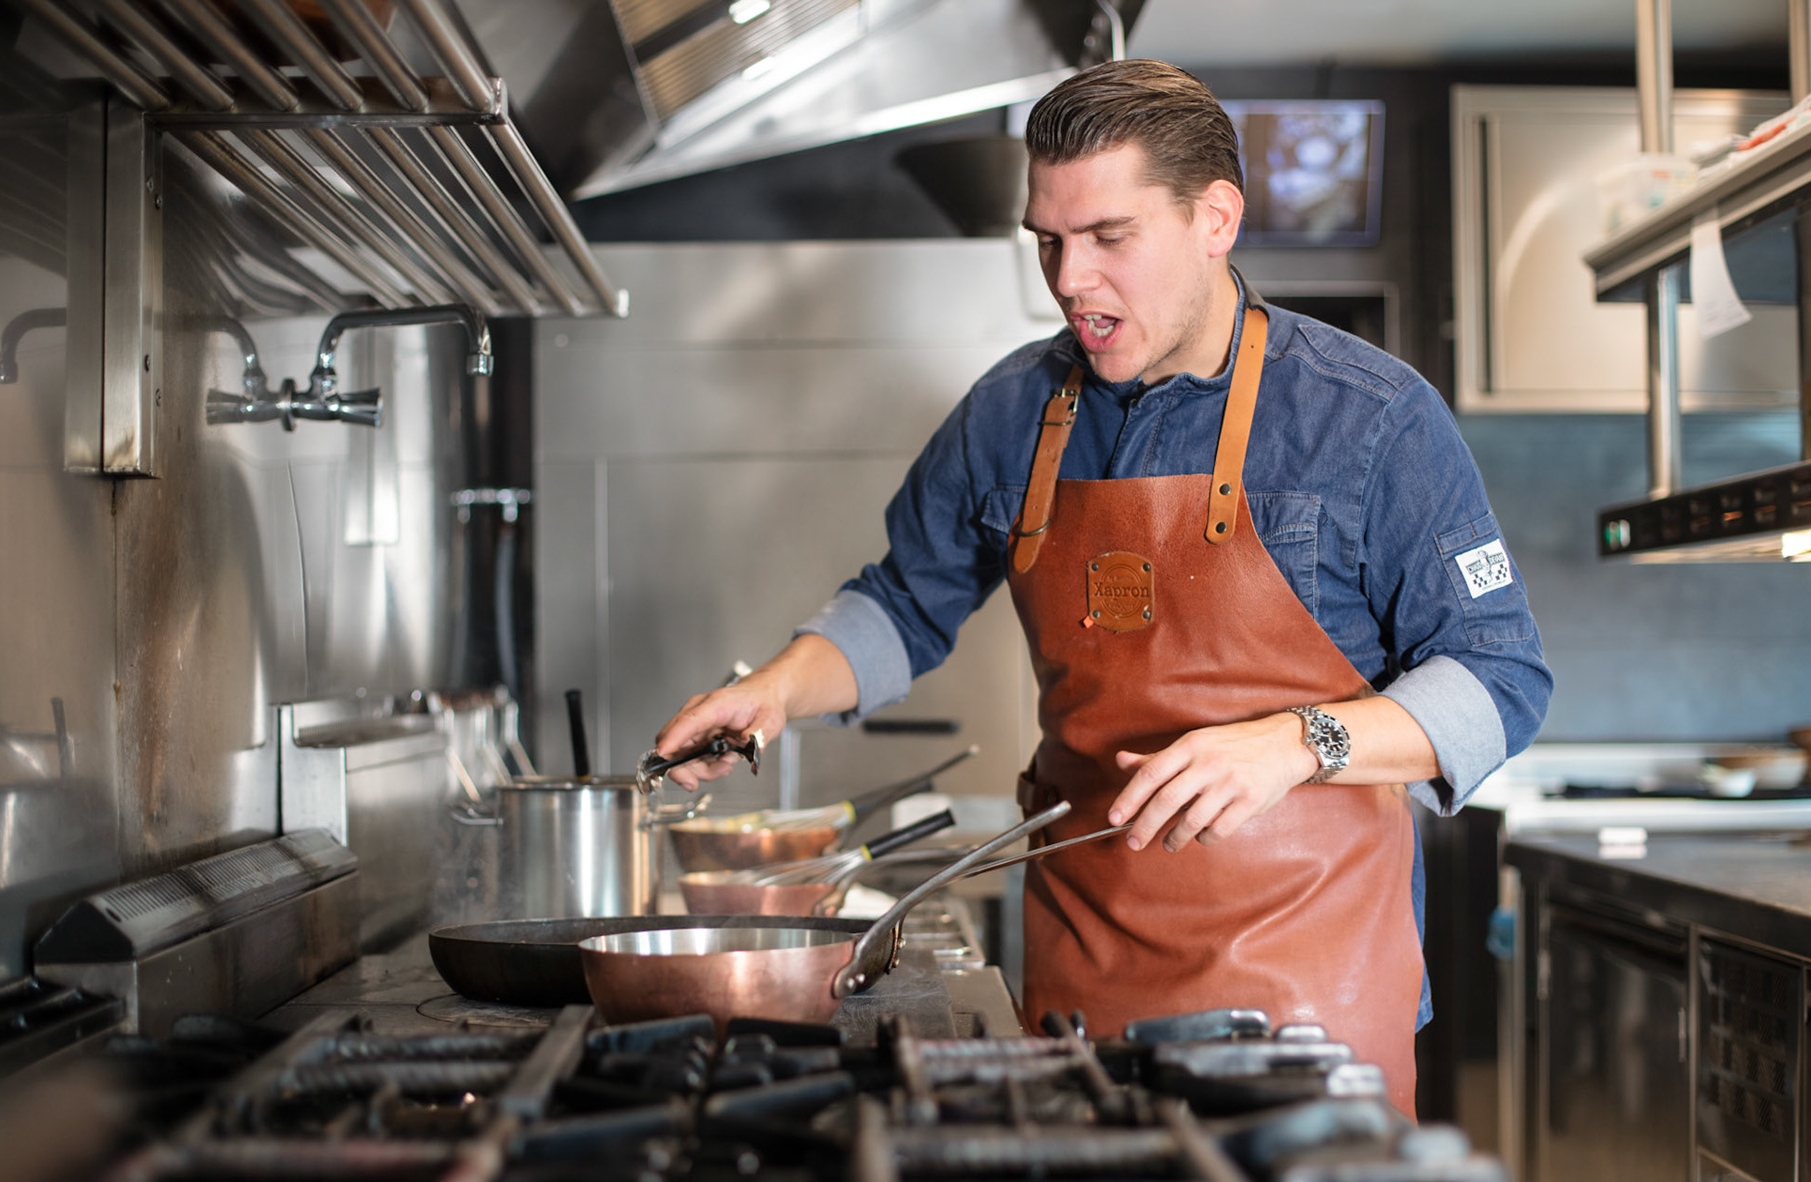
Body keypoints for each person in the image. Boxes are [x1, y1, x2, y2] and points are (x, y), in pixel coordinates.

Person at [655, 60, 1551, 1116]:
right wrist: (776, 688)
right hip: (1082, 999)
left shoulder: (1372, 419)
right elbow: (902, 604)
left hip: (1313, 1015)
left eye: (1109, 237)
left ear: (1215, 218)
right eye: (1048, 240)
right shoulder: (1011, 412)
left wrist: (1298, 742)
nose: (1070, 278)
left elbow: (1502, 677)